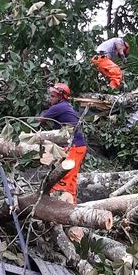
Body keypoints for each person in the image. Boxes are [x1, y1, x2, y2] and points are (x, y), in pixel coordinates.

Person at [39, 83, 88, 243]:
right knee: (69, 177)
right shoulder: (63, 106)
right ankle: (69, 208)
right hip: (75, 146)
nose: (50, 98)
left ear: (60, 96)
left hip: (75, 146)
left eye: (53, 96)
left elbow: (41, 119)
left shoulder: (60, 107)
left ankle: (61, 209)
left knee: (65, 177)